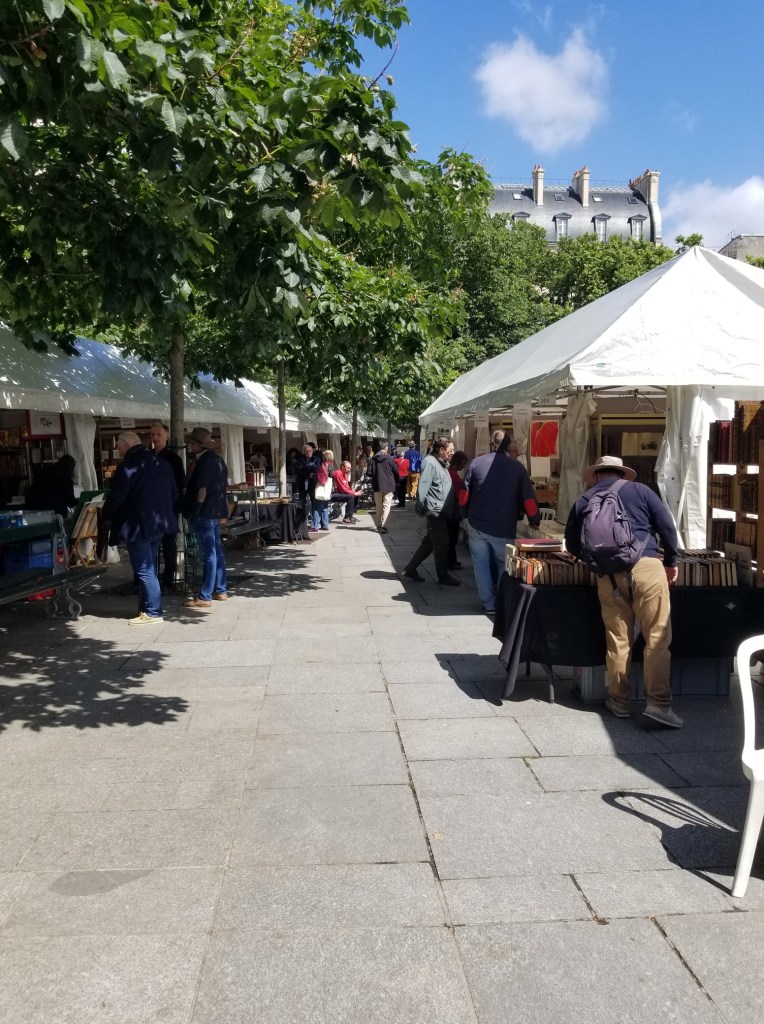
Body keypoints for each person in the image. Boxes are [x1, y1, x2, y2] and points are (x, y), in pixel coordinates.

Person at [564, 455, 682, 728]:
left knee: (618, 640)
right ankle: (658, 705)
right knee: (657, 637)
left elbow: (572, 544)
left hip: (608, 577)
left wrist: (597, 560)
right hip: (648, 568)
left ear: (595, 476)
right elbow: (667, 526)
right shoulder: (641, 491)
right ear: (622, 474)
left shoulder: (584, 500)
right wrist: (671, 562)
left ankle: (619, 702)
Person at [102, 431, 178, 625]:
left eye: (118, 445)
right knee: (149, 566)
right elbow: (174, 494)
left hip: (137, 525)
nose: (117, 449)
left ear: (126, 445)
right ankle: (144, 608)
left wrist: (106, 513)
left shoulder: (127, 467)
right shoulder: (162, 463)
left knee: (144, 569)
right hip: (160, 524)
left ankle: (153, 611)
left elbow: (117, 498)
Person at [462, 429, 540, 615]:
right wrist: (535, 520)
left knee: (480, 565)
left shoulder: (476, 463)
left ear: (491, 444)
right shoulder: (517, 468)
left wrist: (464, 515)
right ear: (508, 446)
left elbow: (464, 495)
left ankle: (488, 604)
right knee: (504, 565)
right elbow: (528, 500)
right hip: (503, 526)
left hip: (477, 523)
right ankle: (504, 602)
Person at [401, 437, 460, 586]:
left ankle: (410, 569)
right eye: (450, 451)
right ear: (441, 450)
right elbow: (423, 488)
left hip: (441, 510)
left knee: (429, 543)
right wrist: (421, 508)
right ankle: (443, 575)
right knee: (442, 544)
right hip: (435, 512)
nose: (452, 453)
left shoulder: (440, 463)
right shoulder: (430, 463)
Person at [183, 427, 229, 609]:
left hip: (205, 513)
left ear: (198, 445)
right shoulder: (218, 460)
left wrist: (196, 509)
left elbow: (202, 490)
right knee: (217, 552)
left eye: (192, 443)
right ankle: (221, 589)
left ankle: (205, 595)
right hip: (217, 512)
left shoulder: (204, 462)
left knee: (208, 554)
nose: (190, 446)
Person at [149, 422, 185, 591]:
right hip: (150, 509)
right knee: (150, 546)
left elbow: (180, 484)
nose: (155, 438)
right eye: (153, 435)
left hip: (168, 508)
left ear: (167, 436)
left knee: (168, 545)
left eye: (159, 434)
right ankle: (150, 580)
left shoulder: (173, 459)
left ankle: (168, 580)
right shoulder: (148, 456)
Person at [27, 454, 76, 518]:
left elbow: (33, 492)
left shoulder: (42, 474)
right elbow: (70, 502)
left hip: (40, 511)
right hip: (58, 514)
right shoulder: (66, 480)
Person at [369, 440, 400, 534]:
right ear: (386, 448)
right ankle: (382, 525)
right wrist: (397, 480)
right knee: (386, 505)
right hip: (389, 485)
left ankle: (379, 524)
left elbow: (369, 473)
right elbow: (396, 471)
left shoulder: (373, 459)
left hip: (377, 484)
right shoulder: (390, 459)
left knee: (379, 506)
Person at [447, 450, 469, 570]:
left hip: (451, 511)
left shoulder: (451, 472)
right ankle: (451, 561)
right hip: (453, 511)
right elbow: (456, 494)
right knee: (453, 537)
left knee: (452, 537)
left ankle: (452, 560)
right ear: (459, 462)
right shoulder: (453, 475)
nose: (464, 466)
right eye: (463, 463)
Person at [295, 443, 321, 522]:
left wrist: (307, 468)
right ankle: (301, 520)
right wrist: (308, 471)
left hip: (313, 483)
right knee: (302, 501)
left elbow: (317, 469)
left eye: (310, 451)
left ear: (312, 451)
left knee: (314, 501)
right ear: (304, 452)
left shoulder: (316, 459)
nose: (308, 453)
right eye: (306, 451)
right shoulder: (300, 459)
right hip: (302, 483)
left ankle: (314, 521)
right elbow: (298, 470)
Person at [311, 449, 335, 532]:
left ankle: (314, 526)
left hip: (321, 487)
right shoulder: (331, 465)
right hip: (328, 488)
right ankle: (325, 524)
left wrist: (313, 475)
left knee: (317, 507)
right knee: (325, 506)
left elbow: (318, 477)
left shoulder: (323, 465)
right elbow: (331, 475)